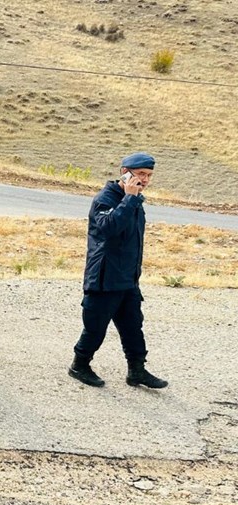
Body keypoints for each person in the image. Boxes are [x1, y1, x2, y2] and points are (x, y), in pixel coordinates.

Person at [69, 152, 167, 389]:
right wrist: (129, 199)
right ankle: (79, 365)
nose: (145, 180)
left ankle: (137, 371)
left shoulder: (135, 201)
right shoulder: (107, 198)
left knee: (134, 327)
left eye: (149, 175)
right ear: (125, 171)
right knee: (95, 328)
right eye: (141, 174)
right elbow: (108, 228)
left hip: (127, 279)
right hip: (104, 278)